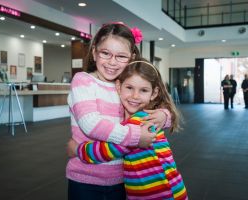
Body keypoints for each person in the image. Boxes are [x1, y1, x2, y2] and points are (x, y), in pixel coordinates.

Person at [66, 23, 171, 200]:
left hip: (123, 179)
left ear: (132, 57)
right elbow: (91, 124)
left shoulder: (125, 85)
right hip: (86, 179)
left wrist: (163, 116)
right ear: (94, 53)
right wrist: (136, 137)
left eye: (121, 56)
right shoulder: (83, 81)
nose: (112, 62)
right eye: (105, 53)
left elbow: (152, 108)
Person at [68, 59, 188, 200]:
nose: (135, 96)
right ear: (118, 87)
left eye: (143, 90)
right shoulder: (144, 117)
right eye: (129, 88)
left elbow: (107, 150)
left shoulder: (141, 122)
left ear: (154, 93)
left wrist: (78, 150)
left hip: (162, 194)